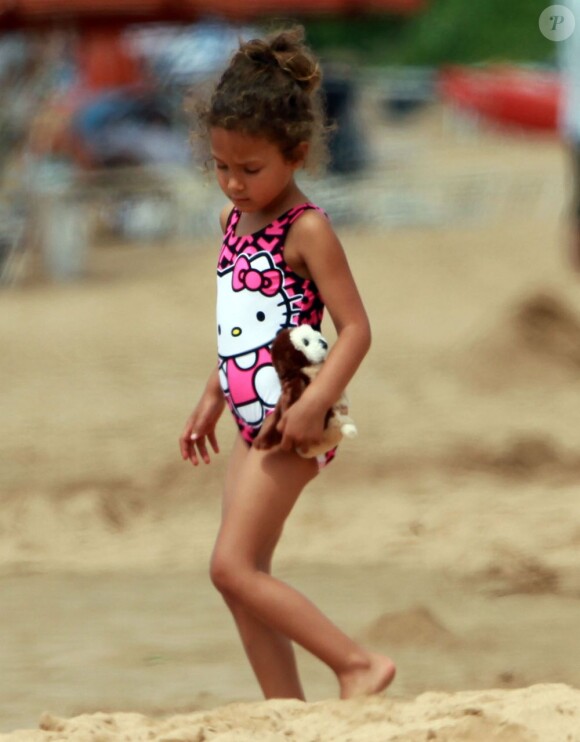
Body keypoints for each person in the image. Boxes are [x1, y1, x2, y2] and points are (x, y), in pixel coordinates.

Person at [178, 26, 395, 701]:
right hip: (247, 415)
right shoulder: (231, 222)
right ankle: (285, 711)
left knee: (230, 568)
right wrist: (212, 396)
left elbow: (356, 329)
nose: (235, 184)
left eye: (251, 169)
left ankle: (358, 665)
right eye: (222, 166)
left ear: (296, 154)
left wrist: (312, 404)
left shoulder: (306, 229)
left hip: (292, 415)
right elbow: (246, 324)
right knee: (246, 577)